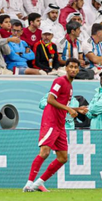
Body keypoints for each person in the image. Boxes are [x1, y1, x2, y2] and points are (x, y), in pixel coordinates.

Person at [24, 58, 89, 192]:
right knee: (45, 152)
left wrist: (77, 109)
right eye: (71, 67)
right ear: (66, 68)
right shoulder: (60, 81)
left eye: (75, 67)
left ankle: (38, 184)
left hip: (60, 124)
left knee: (63, 158)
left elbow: (62, 105)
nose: (73, 69)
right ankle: (28, 184)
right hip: (51, 121)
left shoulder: (70, 86)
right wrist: (69, 109)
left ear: (78, 70)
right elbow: (50, 99)